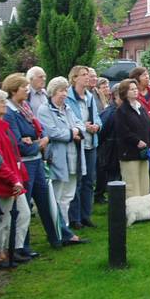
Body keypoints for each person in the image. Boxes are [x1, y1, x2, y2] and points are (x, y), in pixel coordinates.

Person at [2, 73, 57, 257]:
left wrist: (32, 141)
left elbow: (34, 131)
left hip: (36, 162)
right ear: (12, 90)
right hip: (24, 165)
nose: (27, 90)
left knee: (45, 201)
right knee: (23, 207)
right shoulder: (10, 113)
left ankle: (56, 237)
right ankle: (21, 246)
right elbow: (19, 146)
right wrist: (38, 144)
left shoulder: (24, 107)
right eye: (23, 87)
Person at [0, 88, 31, 268]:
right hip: (3, 182)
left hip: (13, 178)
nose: (5, 104)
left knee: (23, 214)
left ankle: (14, 248)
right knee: (1, 219)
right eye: (1, 101)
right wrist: (13, 179)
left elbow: (12, 152)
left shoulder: (2, 126)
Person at [36, 77, 86, 232]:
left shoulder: (68, 108)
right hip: (58, 158)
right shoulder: (44, 110)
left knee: (69, 195)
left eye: (65, 90)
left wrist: (75, 130)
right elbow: (53, 132)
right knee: (57, 196)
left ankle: (65, 227)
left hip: (74, 157)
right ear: (53, 92)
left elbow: (80, 124)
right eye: (61, 91)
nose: (64, 94)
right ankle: (57, 229)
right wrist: (73, 133)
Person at [65, 65, 102, 229]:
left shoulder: (90, 97)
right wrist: (83, 127)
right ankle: (75, 217)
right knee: (77, 181)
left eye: (88, 74)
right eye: (84, 74)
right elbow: (68, 118)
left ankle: (86, 215)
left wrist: (97, 127)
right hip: (77, 144)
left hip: (91, 143)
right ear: (74, 78)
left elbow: (97, 118)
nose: (88, 77)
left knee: (89, 181)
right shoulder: (68, 97)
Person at [114, 78, 150, 198]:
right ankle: (132, 211)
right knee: (132, 184)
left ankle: (144, 210)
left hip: (144, 153)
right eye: (131, 89)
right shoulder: (121, 111)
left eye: (135, 89)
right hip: (129, 153)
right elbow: (122, 131)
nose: (135, 91)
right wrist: (136, 141)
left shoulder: (141, 107)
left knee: (144, 181)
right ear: (124, 92)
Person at [93, 77, 113, 203]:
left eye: (107, 86)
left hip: (107, 138)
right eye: (104, 87)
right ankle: (99, 193)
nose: (106, 89)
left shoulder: (108, 99)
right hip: (102, 137)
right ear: (98, 89)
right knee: (101, 166)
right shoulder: (97, 100)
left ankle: (103, 190)